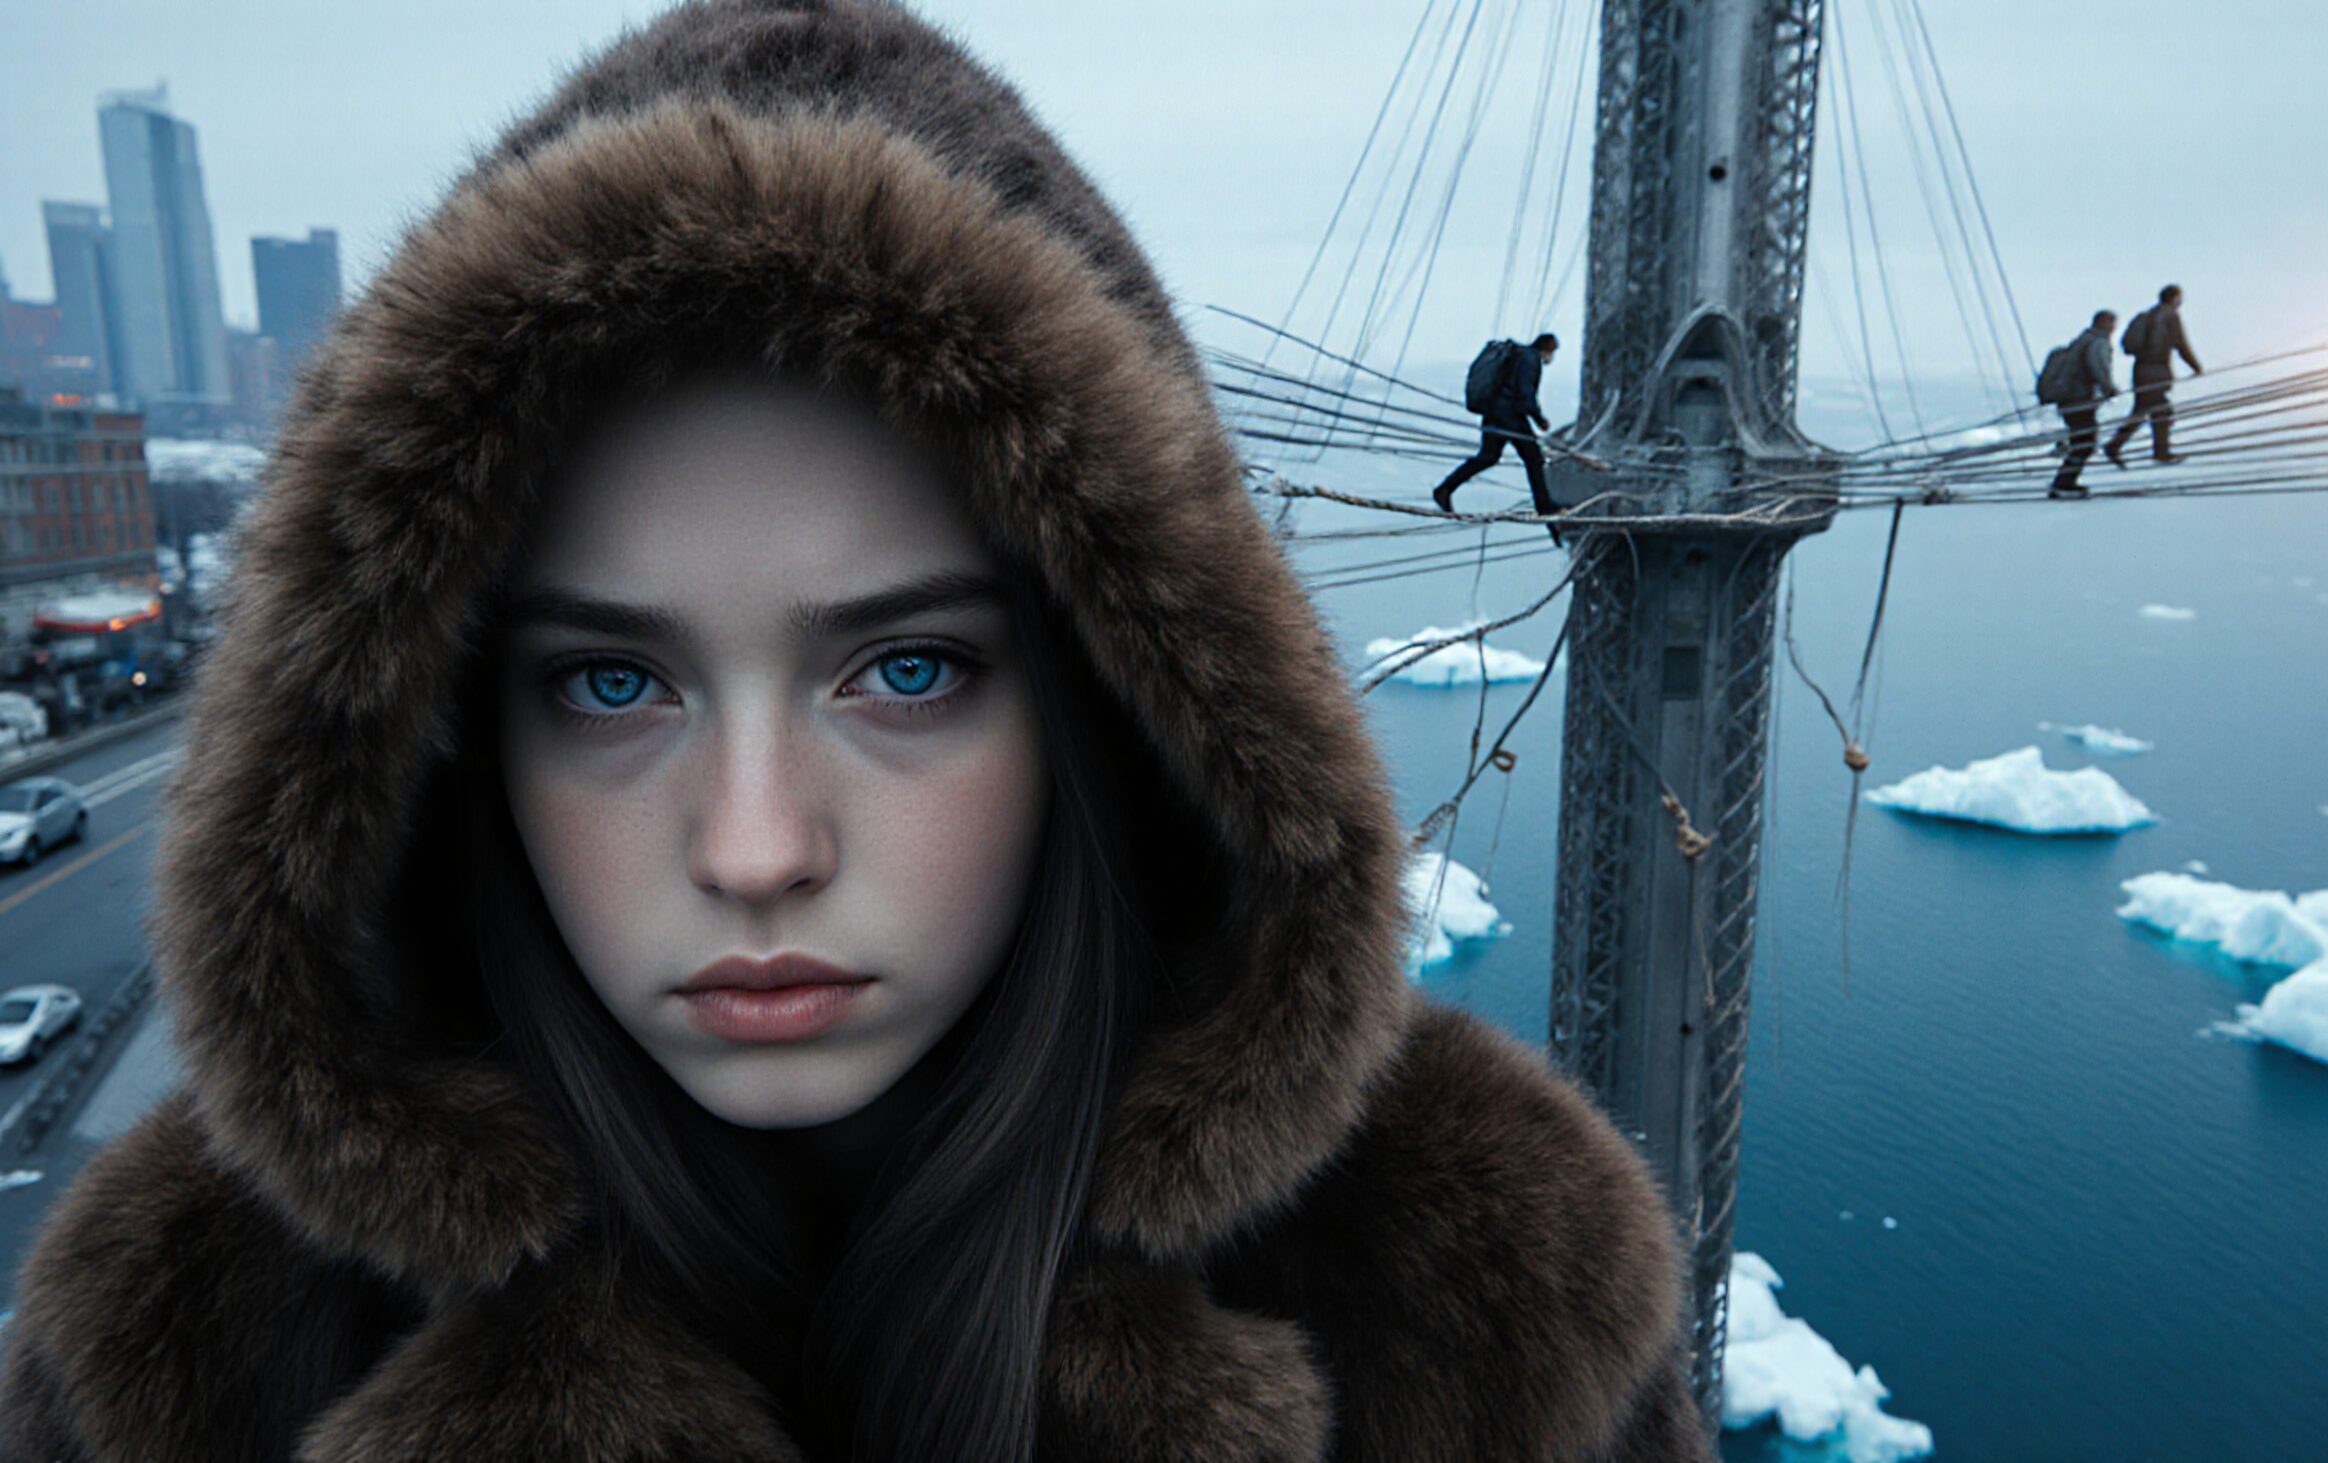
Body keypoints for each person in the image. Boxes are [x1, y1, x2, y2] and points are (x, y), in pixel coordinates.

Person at [0, 4, 1707, 1461]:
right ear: (439, 746)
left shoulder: (1490, 1299)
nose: (754, 848)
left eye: (904, 672)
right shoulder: (176, 1339)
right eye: (612, 683)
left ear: (1117, 712)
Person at [1433, 331, 1564, 544]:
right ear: (1547, 347)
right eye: (1553, 351)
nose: (1552, 357)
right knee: (1534, 459)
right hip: (1510, 415)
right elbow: (1525, 392)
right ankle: (1545, 508)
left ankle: (1445, 488)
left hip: (1493, 412)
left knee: (1488, 456)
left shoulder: (1518, 355)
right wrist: (1539, 418)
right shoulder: (1531, 359)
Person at [2107, 283, 2205, 466]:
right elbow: (2181, 344)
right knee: (2159, 411)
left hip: (2140, 369)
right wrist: (2196, 367)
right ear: (2174, 298)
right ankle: (2158, 451)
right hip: (2158, 370)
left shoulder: (2148, 315)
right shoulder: (2170, 316)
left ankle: (2119, 446)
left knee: (2145, 410)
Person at [2047, 309, 2120, 498]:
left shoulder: (2082, 339)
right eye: (2112, 323)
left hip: (2069, 398)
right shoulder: (2098, 342)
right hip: (2079, 399)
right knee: (2084, 442)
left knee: (2081, 441)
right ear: (2104, 323)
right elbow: (2098, 368)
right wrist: (2109, 388)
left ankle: (2065, 481)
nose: (2114, 328)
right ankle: (2064, 483)